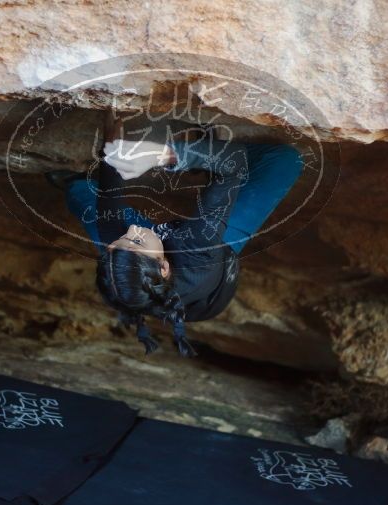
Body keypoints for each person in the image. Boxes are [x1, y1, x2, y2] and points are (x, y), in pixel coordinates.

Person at [47, 125, 304, 357]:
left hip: (150, 262)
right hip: (215, 261)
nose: (134, 228)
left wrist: (115, 145)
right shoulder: (198, 249)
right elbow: (233, 163)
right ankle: (207, 159)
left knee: (86, 197)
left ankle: (76, 186)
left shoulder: (120, 257)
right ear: (164, 267)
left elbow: (110, 193)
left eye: (121, 242)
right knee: (285, 161)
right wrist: (168, 155)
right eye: (135, 240)